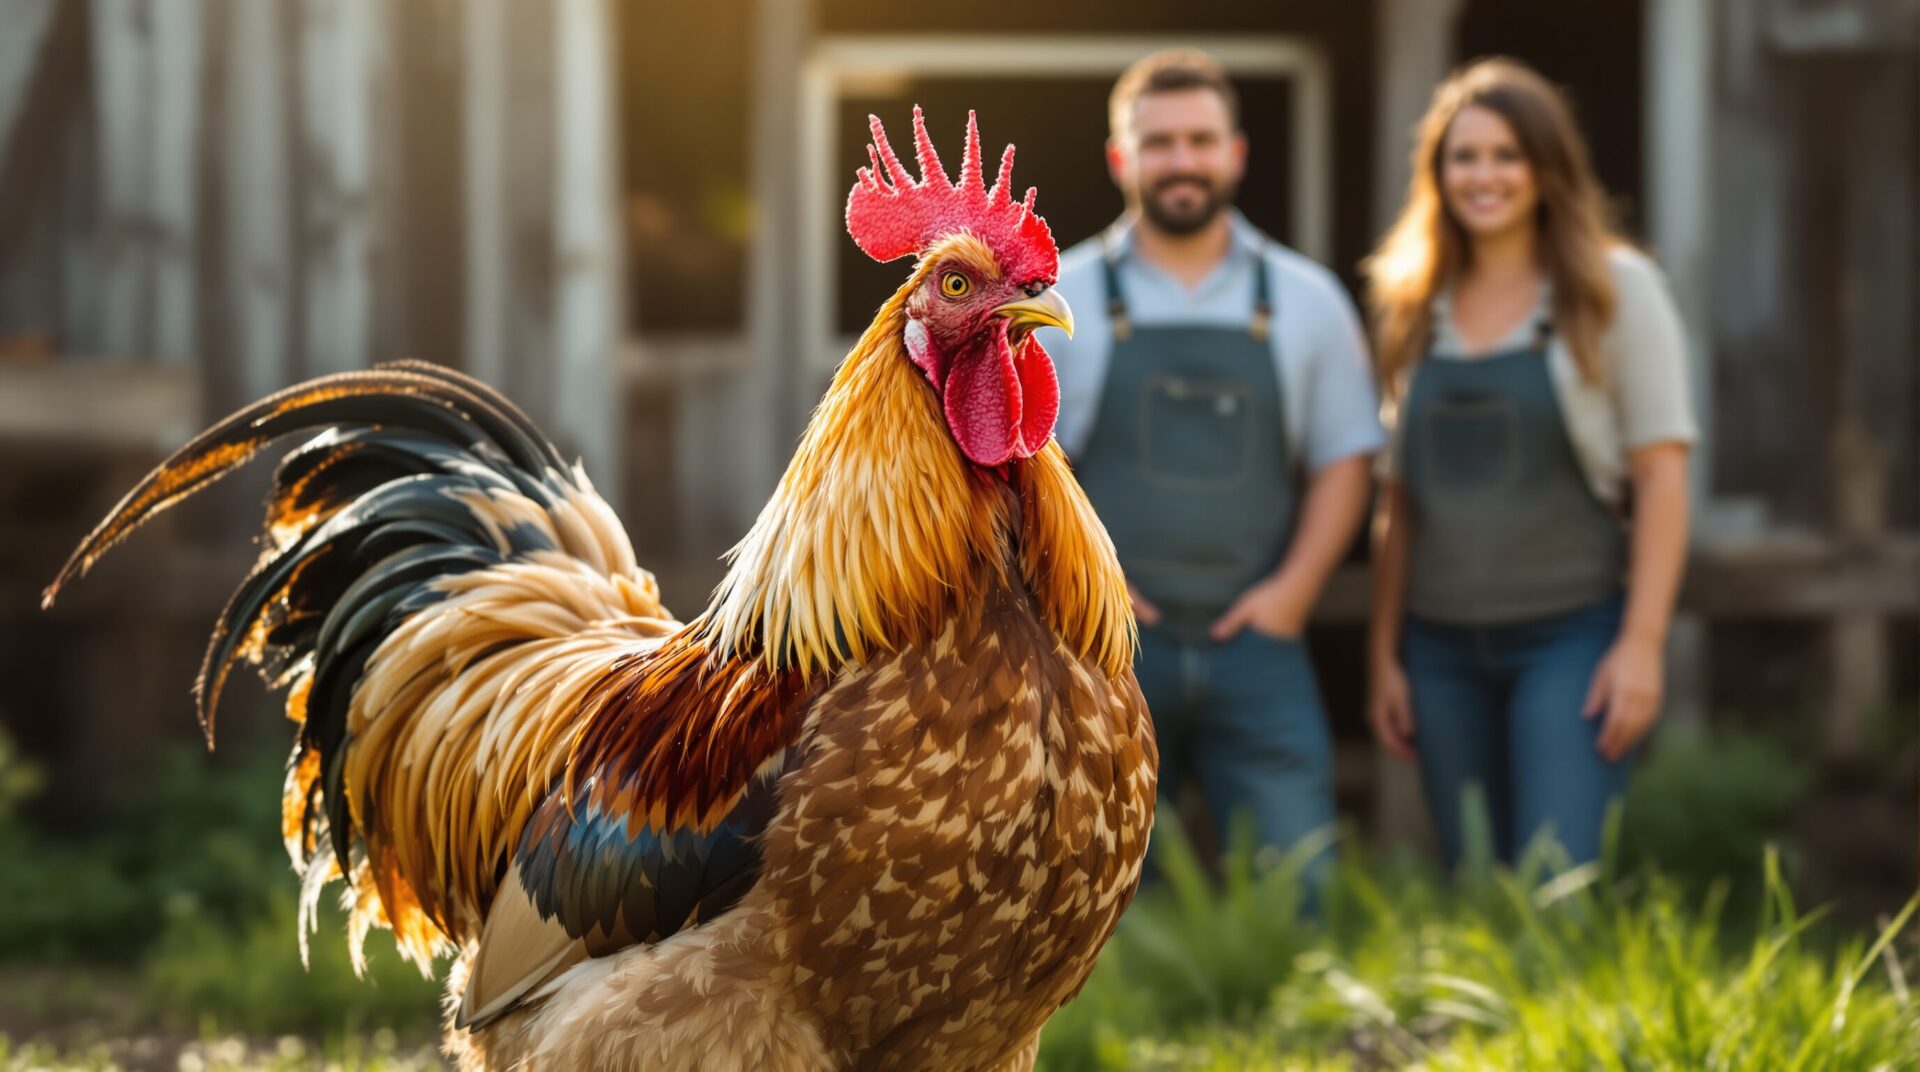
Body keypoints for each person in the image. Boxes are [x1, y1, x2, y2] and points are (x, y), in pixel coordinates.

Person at [1046, 49, 1382, 877]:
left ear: (1235, 153)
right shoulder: (1060, 298)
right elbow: (1020, 465)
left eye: (1201, 139)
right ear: (1122, 160)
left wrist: (1293, 593)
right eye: (1159, 143)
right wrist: (1084, 588)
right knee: (1100, 900)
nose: (1182, 160)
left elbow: (1346, 459)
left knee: (1297, 888)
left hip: (1259, 643)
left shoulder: (1308, 300)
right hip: (1105, 646)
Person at [1363, 58, 1695, 870]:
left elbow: (1661, 476)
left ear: (1549, 167)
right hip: (1439, 650)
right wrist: (1384, 656)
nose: (1485, 176)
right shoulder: (1412, 302)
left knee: (1556, 878)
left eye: (1507, 155)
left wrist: (1643, 644)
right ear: (1436, 172)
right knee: (1476, 883)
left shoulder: (1614, 290)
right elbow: (1398, 504)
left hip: (1570, 639)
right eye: (1464, 156)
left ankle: (1567, 1004)